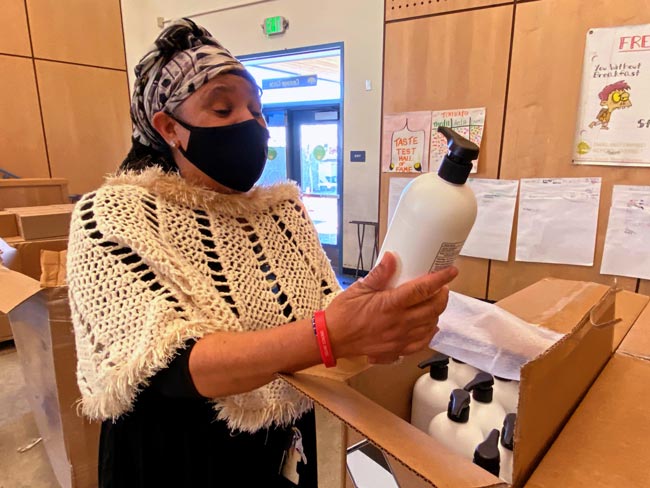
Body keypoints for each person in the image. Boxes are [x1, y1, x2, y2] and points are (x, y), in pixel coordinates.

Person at [66, 19, 456, 487]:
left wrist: (377, 327)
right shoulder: (110, 214)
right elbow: (169, 367)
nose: (251, 123)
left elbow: (327, 311)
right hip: (177, 458)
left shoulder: (282, 213)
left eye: (257, 109)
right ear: (169, 127)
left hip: (282, 444)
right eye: (224, 108)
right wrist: (330, 335)